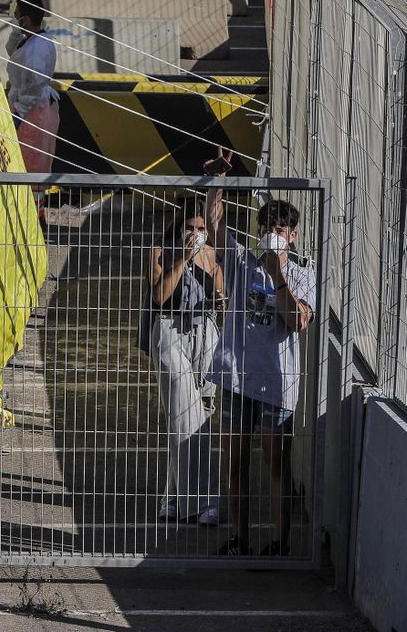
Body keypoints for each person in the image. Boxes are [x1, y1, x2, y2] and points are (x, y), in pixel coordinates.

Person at [205, 162, 316, 557]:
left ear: (293, 236)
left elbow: (296, 320)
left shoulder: (304, 275)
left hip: (277, 383)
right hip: (238, 376)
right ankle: (238, 536)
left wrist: (278, 275)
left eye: (280, 231)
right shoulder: (241, 261)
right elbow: (215, 227)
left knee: (275, 463)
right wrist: (217, 185)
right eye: (267, 229)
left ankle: (280, 542)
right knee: (234, 461)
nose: (272, 236)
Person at [144, 197, 225, 525]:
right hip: (169, 328)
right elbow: (159, 295)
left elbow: (220, 297)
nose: (195, 232)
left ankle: (174, 497)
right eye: (189, 227)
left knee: (202, 414)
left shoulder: (213, 254)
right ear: (179, 227)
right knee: (181, 414)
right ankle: (203, 501)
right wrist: (184, 258)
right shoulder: (161, 250)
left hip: (204, 331)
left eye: (201, 228)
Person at [5, 0, 59, 178]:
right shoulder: (31, 40)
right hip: (27, 107)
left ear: (25, 19)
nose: (14, 18)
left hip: (31, 113)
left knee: (30, 161)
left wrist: (19, 113)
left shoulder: (37, 48)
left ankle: (34, 205)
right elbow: (14, 53)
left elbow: (33, 83)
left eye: (17, 15)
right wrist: (15, 33)